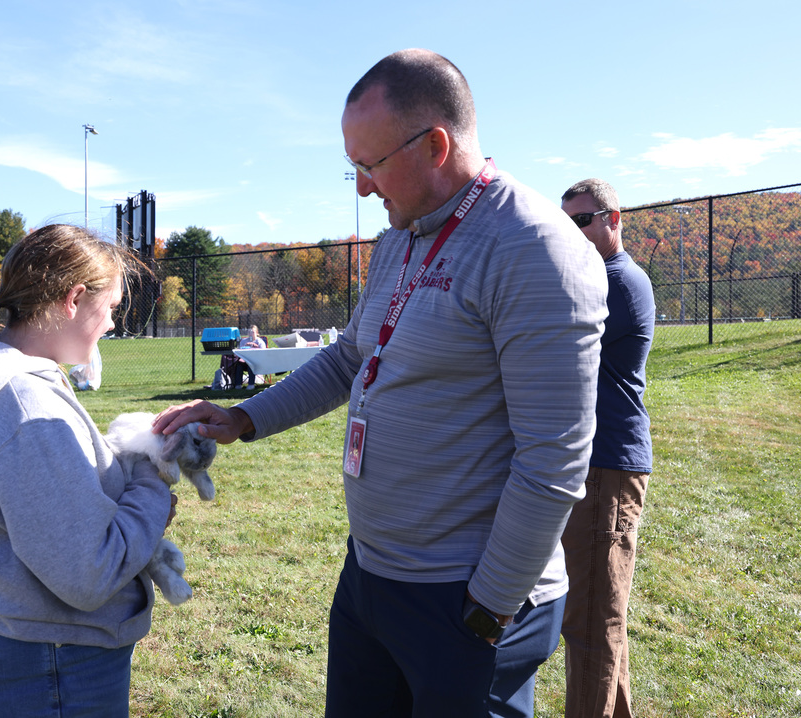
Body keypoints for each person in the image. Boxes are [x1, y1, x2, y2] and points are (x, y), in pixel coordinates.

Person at [154, 48, 607, 717]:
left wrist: (487, 610)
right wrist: (245, 418)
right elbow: (351, 358)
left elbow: (554, 460)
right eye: (353, 167)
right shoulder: (401, 234)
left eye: (370, 165)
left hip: (466, 600)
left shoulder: (535, 250)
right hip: (372, 577)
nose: (362, 186)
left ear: (435, 145)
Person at [0, 224, 177, 717]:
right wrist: (150, 477)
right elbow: (89, 572)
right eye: (110, 308)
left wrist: (118, 454)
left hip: (28, 652)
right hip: (51, 668)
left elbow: (45, 494)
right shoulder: (23, 405)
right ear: (74, 298)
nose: (111, 324)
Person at [559, 179, 655, 718]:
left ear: (613, 219)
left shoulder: (619, 282)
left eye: (583, 221)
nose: (574, 233)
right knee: (598, 618)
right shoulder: (596, 277)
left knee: (592, 622)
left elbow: (558, 345)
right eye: (564, 222)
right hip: (596, 465)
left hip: (608, 467)